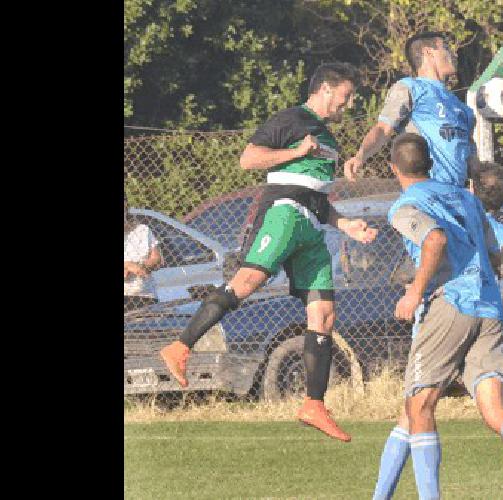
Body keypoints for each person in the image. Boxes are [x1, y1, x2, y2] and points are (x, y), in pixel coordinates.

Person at [157, 63, 378, 442]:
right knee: (248, 281)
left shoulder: (329, 138)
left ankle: (314, 404)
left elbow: (317, 195)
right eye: (347, 94)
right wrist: (293, 150)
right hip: (284, 213)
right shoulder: (293, 119)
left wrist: (345, 225)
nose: (350, 103)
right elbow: (249, 159)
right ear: (326, 89)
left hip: (311, 224)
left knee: (323, 313)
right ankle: (180, 346)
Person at [382, 134, 503, 500]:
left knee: (420, 405)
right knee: (494, 406)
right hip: (490, 307)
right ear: (430, 163)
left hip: (452, 304)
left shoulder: (405, 205)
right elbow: (496, 255)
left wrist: (415, 291)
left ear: (393, 168)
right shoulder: (466, 198)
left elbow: (434, 240)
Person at [342, 31, 503, 218]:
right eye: (446, 48)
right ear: (428, 52)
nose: (453, 54)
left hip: (458, 201)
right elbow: (383, 129)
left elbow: (474, 167)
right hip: (427, 200)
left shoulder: (462, 109)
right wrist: (361, 154)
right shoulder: (410, 88)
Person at [124, 196, 163, 312]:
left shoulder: (142, 230)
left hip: (146, 297)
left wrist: (141, 267)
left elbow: (157, 259)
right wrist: (128, 265)